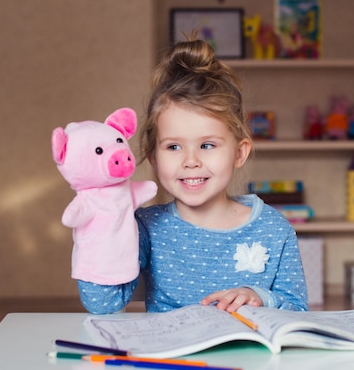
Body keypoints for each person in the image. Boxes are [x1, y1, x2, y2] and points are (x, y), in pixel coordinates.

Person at [78, 38, 309, 314]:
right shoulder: (146, 227)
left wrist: (258, 296)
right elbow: (102, 304)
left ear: (239, 152)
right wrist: (101, 228)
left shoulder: (274, 229)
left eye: (207, 145)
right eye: (174, 147)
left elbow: (297, 309)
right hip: (172, 356)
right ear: (153, 156)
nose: (191, 161)